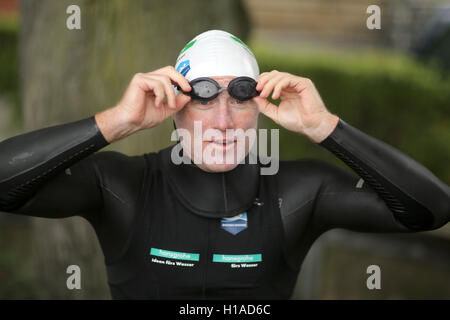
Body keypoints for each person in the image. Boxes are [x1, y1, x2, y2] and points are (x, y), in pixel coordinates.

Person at [0, 29, 449, 299]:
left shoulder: (297, 194)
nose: (221, 122)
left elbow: (430, 211)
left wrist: (324, 126)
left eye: (239, 98)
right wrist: (116, 122)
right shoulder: (124, 187)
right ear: (175, 109)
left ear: (258, 108)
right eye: (202, 99)